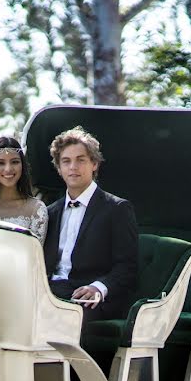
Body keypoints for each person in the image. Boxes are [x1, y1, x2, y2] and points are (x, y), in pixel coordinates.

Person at [43, 126, 138, 323]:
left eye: (81, 160)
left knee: (63, 318)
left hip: (91, 297)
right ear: (59, 169)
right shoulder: (50, 212)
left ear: (94, 164)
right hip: (50, 292)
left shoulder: (117, 208)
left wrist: (99, 288)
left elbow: (127, 267)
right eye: (66, 161)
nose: (73, 167)